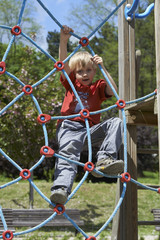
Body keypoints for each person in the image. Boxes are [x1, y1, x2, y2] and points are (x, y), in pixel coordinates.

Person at [50, 25, 124, 205]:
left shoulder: (97, 86)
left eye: (89, 70)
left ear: (94, 71)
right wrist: (63, 40)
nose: (84, 74)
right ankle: (60, 188)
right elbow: (62, 64)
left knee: (116, 122)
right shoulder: (71, 84)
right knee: (69, 152)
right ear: (74, 74)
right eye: (80, 71)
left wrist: (102, 67)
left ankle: (104, 160)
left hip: (90, 130)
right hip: (69, 127)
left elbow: (114, 91)